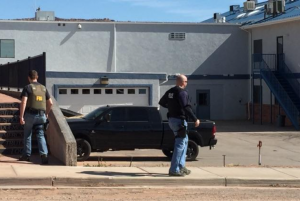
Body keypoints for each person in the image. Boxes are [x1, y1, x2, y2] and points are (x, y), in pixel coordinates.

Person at [159, 74, 200, 176]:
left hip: (172, 119)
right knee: (180, 144)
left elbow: (162, 102)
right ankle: (174, 169)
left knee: (184, 141)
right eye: (186, 81)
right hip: (179, 121)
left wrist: (172, 106)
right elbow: (186, 107)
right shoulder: (182, 92)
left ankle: (181, 166)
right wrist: (195, 119)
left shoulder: (170, 91)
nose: (186, 83)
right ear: (182, 82)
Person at [19, 70, 53, 164]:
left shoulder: (28, 87)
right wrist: (46, 113)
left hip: (30, 115)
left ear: (29, 78)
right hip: (41, 115)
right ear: (37, 77)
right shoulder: (43, 88)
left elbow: (24, 102)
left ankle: (26, 155)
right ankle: (44, 155)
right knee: (40, 135)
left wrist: (21, 116)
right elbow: (50, 103)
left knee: (27, 135)